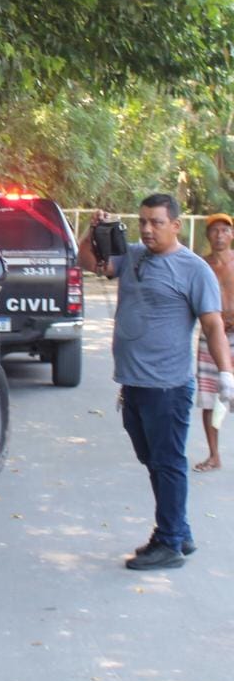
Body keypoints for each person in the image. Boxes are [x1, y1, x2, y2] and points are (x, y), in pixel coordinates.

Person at [78, 194, 234, 570]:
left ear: (176, 225)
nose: (147, 229)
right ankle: (179, 529)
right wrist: (91, 230)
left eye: (156, 222)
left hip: (168, 388)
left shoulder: (194, 269)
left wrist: (226, 374)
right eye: (143, 221)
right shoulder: (133, 257)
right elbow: (90, 262)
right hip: (133, 384)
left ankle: (168, 543)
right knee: (153, 459)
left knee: (167, 462)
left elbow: (212, 324)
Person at [195, 213, 234, 472]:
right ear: (208, 235)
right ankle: (213, 455)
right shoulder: (201, 265)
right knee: (210, 398)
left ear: (231, 235)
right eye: (214, 231)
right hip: (211, 338)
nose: (219, 235)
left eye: (224, 230)